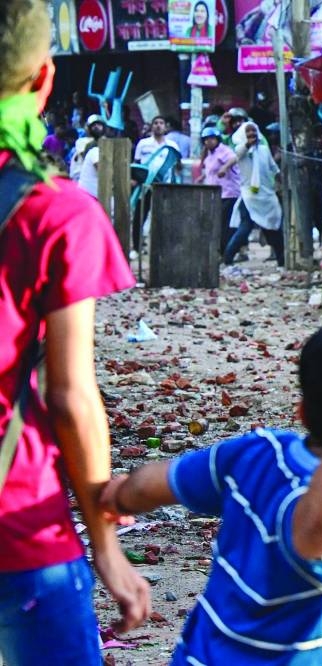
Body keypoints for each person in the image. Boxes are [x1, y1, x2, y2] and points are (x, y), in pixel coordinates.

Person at [100, 297, 322, 664]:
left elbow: (145, 486)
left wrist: (119, 498)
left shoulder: (257, 453)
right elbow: (317, 529)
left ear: (302, 412)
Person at [0, 2, 151, 664]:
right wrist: (107, 547)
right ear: (43, 79)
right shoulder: (57, 214)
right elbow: (71, 395)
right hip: (19, 524)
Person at [219, 121, 284, 266]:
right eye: (247, 132)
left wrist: (281, 181)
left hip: (266, 196)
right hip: (249, 197)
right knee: (244, 229)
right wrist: (225, 167)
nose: (251, 134)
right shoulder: (241, 149)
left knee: (273, 229)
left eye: (253, 131)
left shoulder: (263, 149)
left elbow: (273, 168)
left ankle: (282, 260)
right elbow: (237, 155)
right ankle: (227, 258)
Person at [131, 115, 180, 254]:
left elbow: (176, 167)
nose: (158, 125)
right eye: (156, 123)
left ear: (166, 127)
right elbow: (137, 164)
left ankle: (161, 247)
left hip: (165, 185)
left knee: (163, 216)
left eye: (161, 123)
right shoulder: (143, 144)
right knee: (140, 215)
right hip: (145, 185)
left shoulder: (172, 146)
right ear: (152, 126)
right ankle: (137, 246)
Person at [198, 126, 240, 256]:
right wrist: (202, 177)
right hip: (215, 194)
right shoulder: (210, 154)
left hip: (229, 193)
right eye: (206, 140)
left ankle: (227, 252)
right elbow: (210, 170)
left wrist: (225, 167)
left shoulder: (224, 150)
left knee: (225, 225)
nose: (208, 142)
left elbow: (235, 158)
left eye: (211, 139)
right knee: (217, 223)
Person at [69, 113, 105, 196]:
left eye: (98, 125)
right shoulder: (82, 141)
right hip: (80, 177)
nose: (96, 127)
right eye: (93, 125)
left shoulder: (105, 141)